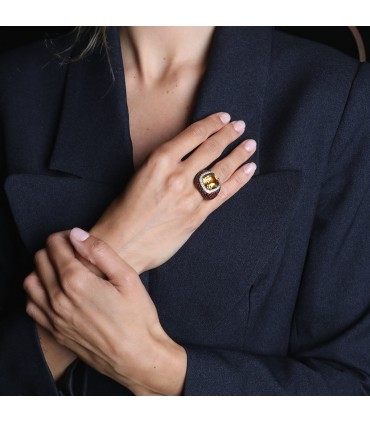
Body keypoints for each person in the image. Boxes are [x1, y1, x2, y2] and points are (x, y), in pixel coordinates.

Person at [0, 26, 370, 395]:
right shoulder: (14, 86)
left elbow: (354, 387)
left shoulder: (337, 98)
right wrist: (122, 242)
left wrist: (152, 368)